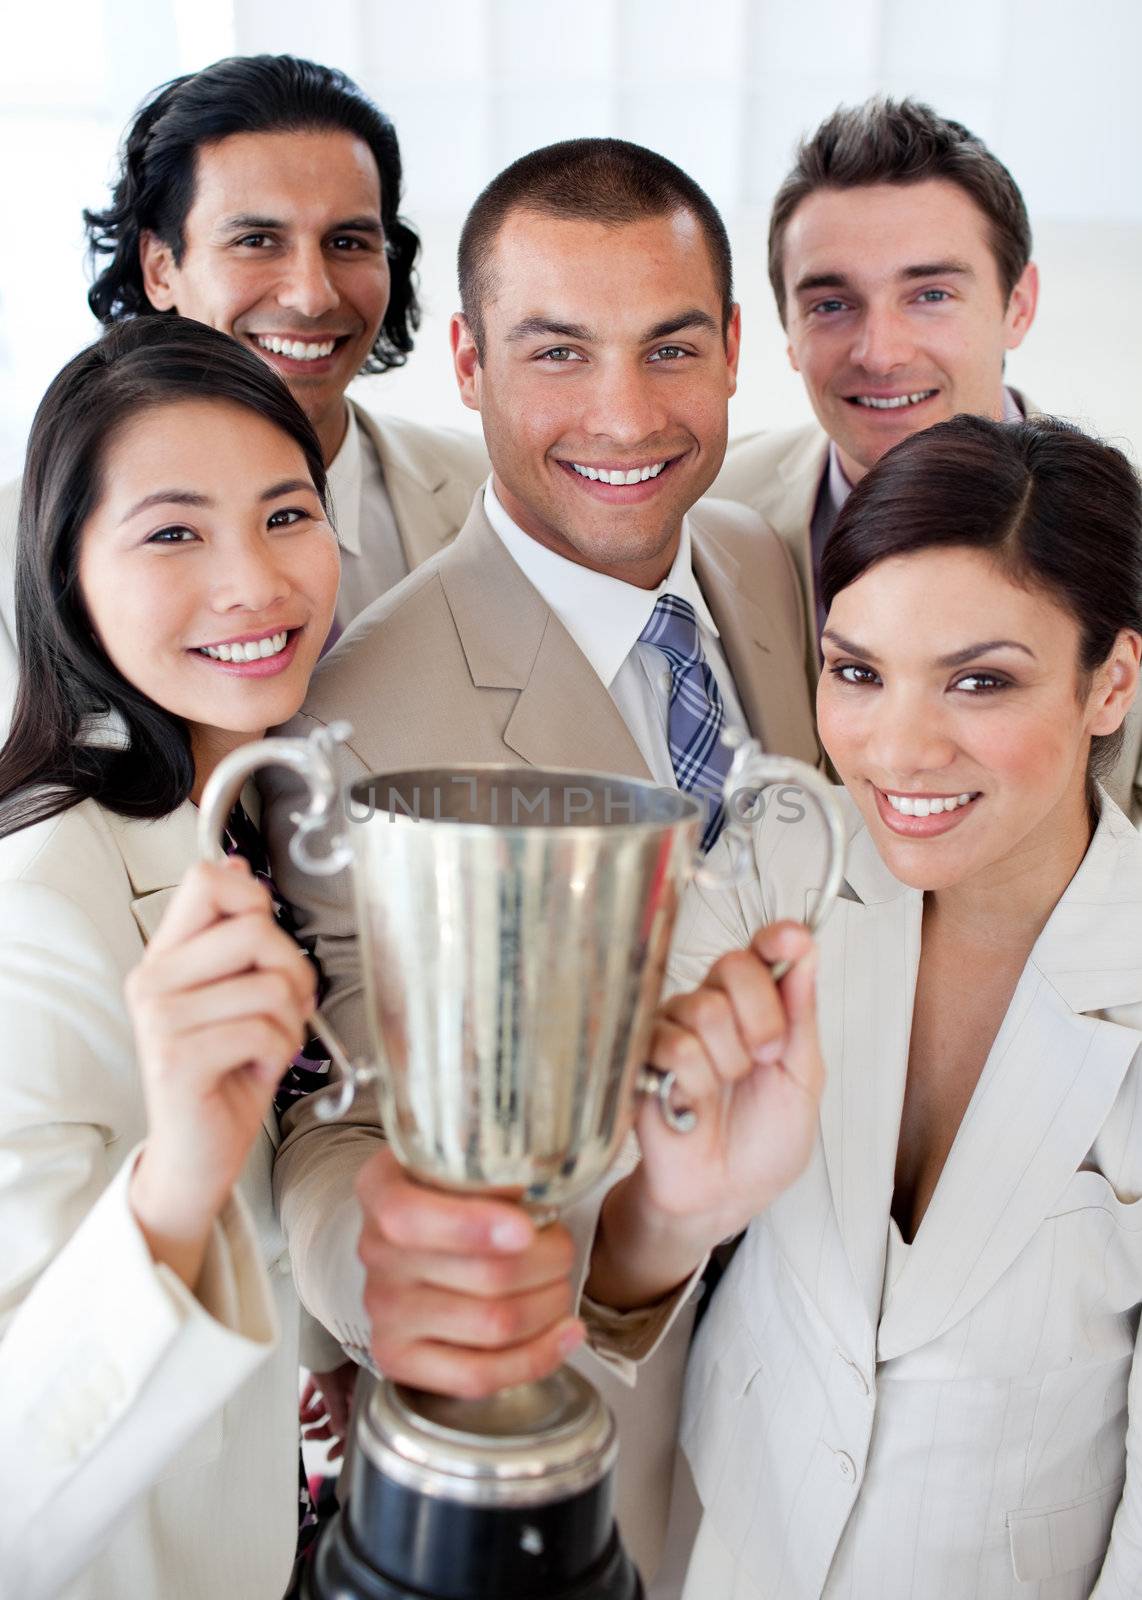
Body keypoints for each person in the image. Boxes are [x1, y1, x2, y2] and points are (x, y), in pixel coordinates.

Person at [263, 136, 818, 1579]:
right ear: (463, 359)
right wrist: (369, 1271)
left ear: (733, 353)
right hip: (589, 1417)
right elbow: (334, 1116)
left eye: (669, 348)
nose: (624, 413)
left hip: (823, 1410)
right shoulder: (357, 712)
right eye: (557, 352)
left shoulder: (764, 566)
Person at [587, 414, 1142, 1597]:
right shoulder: (784, 860)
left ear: (1112, 682)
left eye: (978, 681)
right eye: (856, 673)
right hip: (724, 1552)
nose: (893, 750)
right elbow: (613, 1243)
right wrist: (671, 1210)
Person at [0, 315, 345, 1599]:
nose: (256, 583)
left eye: (286, 514)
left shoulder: (254, 810)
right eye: (173, 532)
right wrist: (179, 1180)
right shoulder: (36, 907)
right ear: (66, 573)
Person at [0, 53, 489, 736]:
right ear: (160, 267)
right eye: (257, 240)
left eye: (348, 241)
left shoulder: (492, 500)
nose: (313, 295)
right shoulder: (13, 543)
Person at [711, 96, 1142, 819]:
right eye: (830, 304)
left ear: (1018, 304)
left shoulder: (1130, 531)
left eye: (931, 294)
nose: (880, 352)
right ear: (784, 327)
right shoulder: (705, 517)